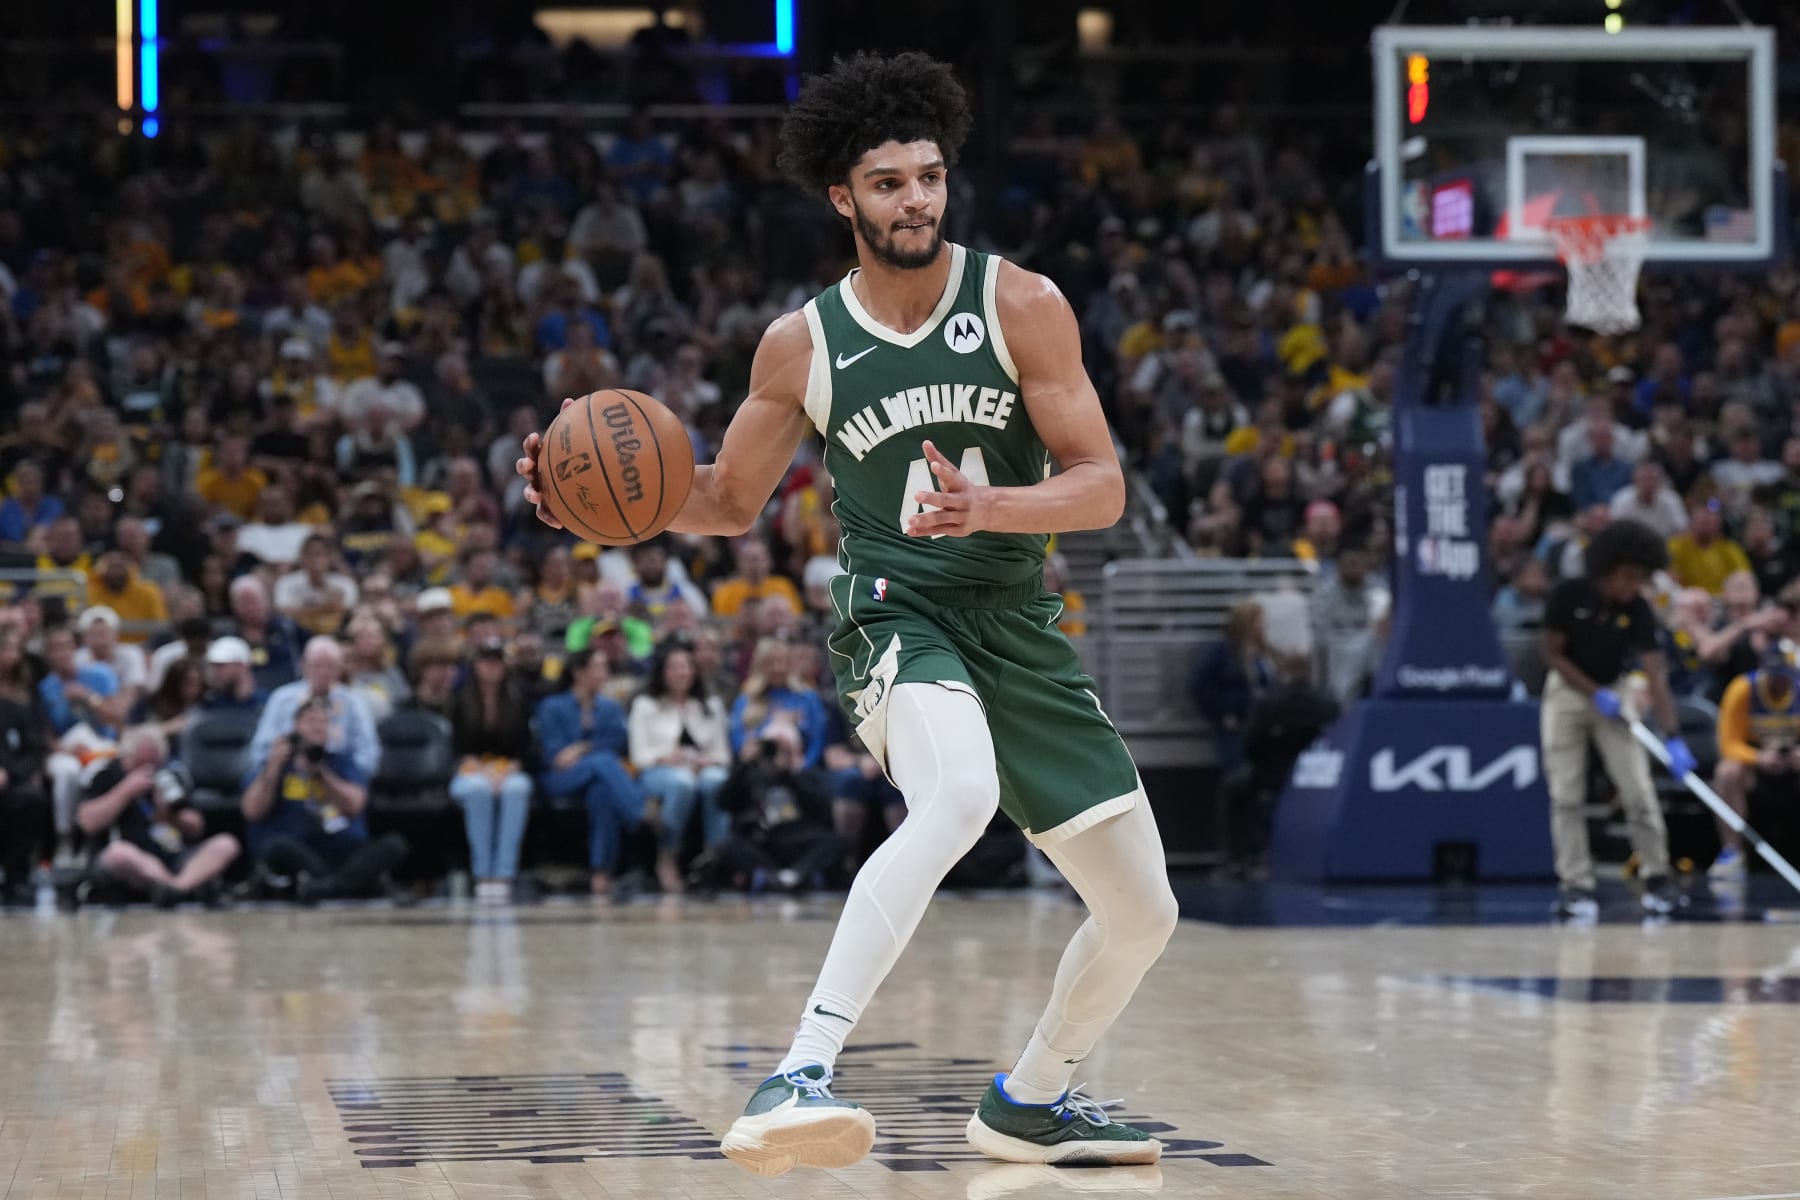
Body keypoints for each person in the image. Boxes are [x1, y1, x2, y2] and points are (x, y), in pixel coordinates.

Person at [520, 50, 1175, 1174]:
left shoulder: (1021, 303)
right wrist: (595, 512)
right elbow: (725, 500)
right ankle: (799, 1072)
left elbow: (1102, 483)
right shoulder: (804, 342)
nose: (915, 198)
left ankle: (1029, 1100)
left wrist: (992, 506)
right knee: (958, 794)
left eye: (928, 176)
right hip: (895, 612)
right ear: (844, 197)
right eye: (888, 182)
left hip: (1015, 621)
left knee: (1144, 912)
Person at [1539, 519, 1694, 921]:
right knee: (1566, 795)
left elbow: (1656, 675)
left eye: (1641, 577)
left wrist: (1673, 736)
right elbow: (1552, 654)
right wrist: (1594, 694)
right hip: (1567, 695)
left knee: (1638, 791)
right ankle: (1576, 886)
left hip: (1615, 691)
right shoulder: (1569, 595)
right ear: (1607, 569)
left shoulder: (1638, 610)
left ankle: (1658, 877)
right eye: (1628, 576)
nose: (1633, 585)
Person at [241, 696, 406, 902]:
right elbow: (252, 810)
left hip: (344, 851)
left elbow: (355, 805)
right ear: (295, 726)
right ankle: (345, 886)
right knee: (276, 847)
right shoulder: (276, 762)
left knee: (393, 844)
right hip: (300, 850)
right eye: (310, 721)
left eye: (323, 722)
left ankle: (327, 887)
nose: (317, 727)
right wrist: (273, 768)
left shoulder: (341, 761)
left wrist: (321, 773)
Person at [77, 725, 241, 906]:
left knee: (226, 844)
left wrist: (172, 815)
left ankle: (176, 889)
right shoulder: (106, 775)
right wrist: (126, 791)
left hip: (175, 858)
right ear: (126, 758)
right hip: (132, 863)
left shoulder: (170, 776)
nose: (148, 770)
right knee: (119, 854)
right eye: (140, 764)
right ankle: (178, 888)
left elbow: (196, 828)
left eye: (153, 764)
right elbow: (88, 822)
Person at [535, 648, 645, 895]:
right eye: (598, 667)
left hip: (600, 777)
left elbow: (618, 743)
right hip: (559, 779)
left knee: (602, 792)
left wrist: (582, 748)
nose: (604, 673)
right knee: (604, 762)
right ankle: (640, 812)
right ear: (579, 673)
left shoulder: (610, 708)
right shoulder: (552, 707)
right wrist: (590, 750)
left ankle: (601, 872)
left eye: (605, 667)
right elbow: (556, 758)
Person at [628, 639, 731, 892]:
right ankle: (667, 856)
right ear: (662, 671)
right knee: (681, 783)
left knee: (716, 781)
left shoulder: (711, 705)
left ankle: (715, 856)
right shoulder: (645, 706)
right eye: (675, 667)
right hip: (658, 771)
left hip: (701, 768)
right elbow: (639, 756)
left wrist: (706, 761)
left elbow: (723, 754)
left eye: (686, 666)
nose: (682, 672)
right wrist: (668, 757)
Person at [447, 638, 535, 901]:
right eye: (486, 661)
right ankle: (482, 873)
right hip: (470, 771)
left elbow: (527, 748)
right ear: (475, 665)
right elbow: (454, 748)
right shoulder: (459, 700)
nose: (492, 667)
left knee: (518, 789)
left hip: (508, 770)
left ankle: (504, 873)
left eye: (497, 661)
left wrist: (509, 769)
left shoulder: (518, 699)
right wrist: (479, 769)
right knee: (478, 790)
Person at [1709, 643, 1800, 883]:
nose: (1780, 682)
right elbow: (1728, 743)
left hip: (1793, 764)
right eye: (1775, 675)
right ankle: (1732, 852)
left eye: (1785, 676)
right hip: (1755, 765)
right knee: (1727, 772)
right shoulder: (1743, 689)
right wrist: (1758, 758)